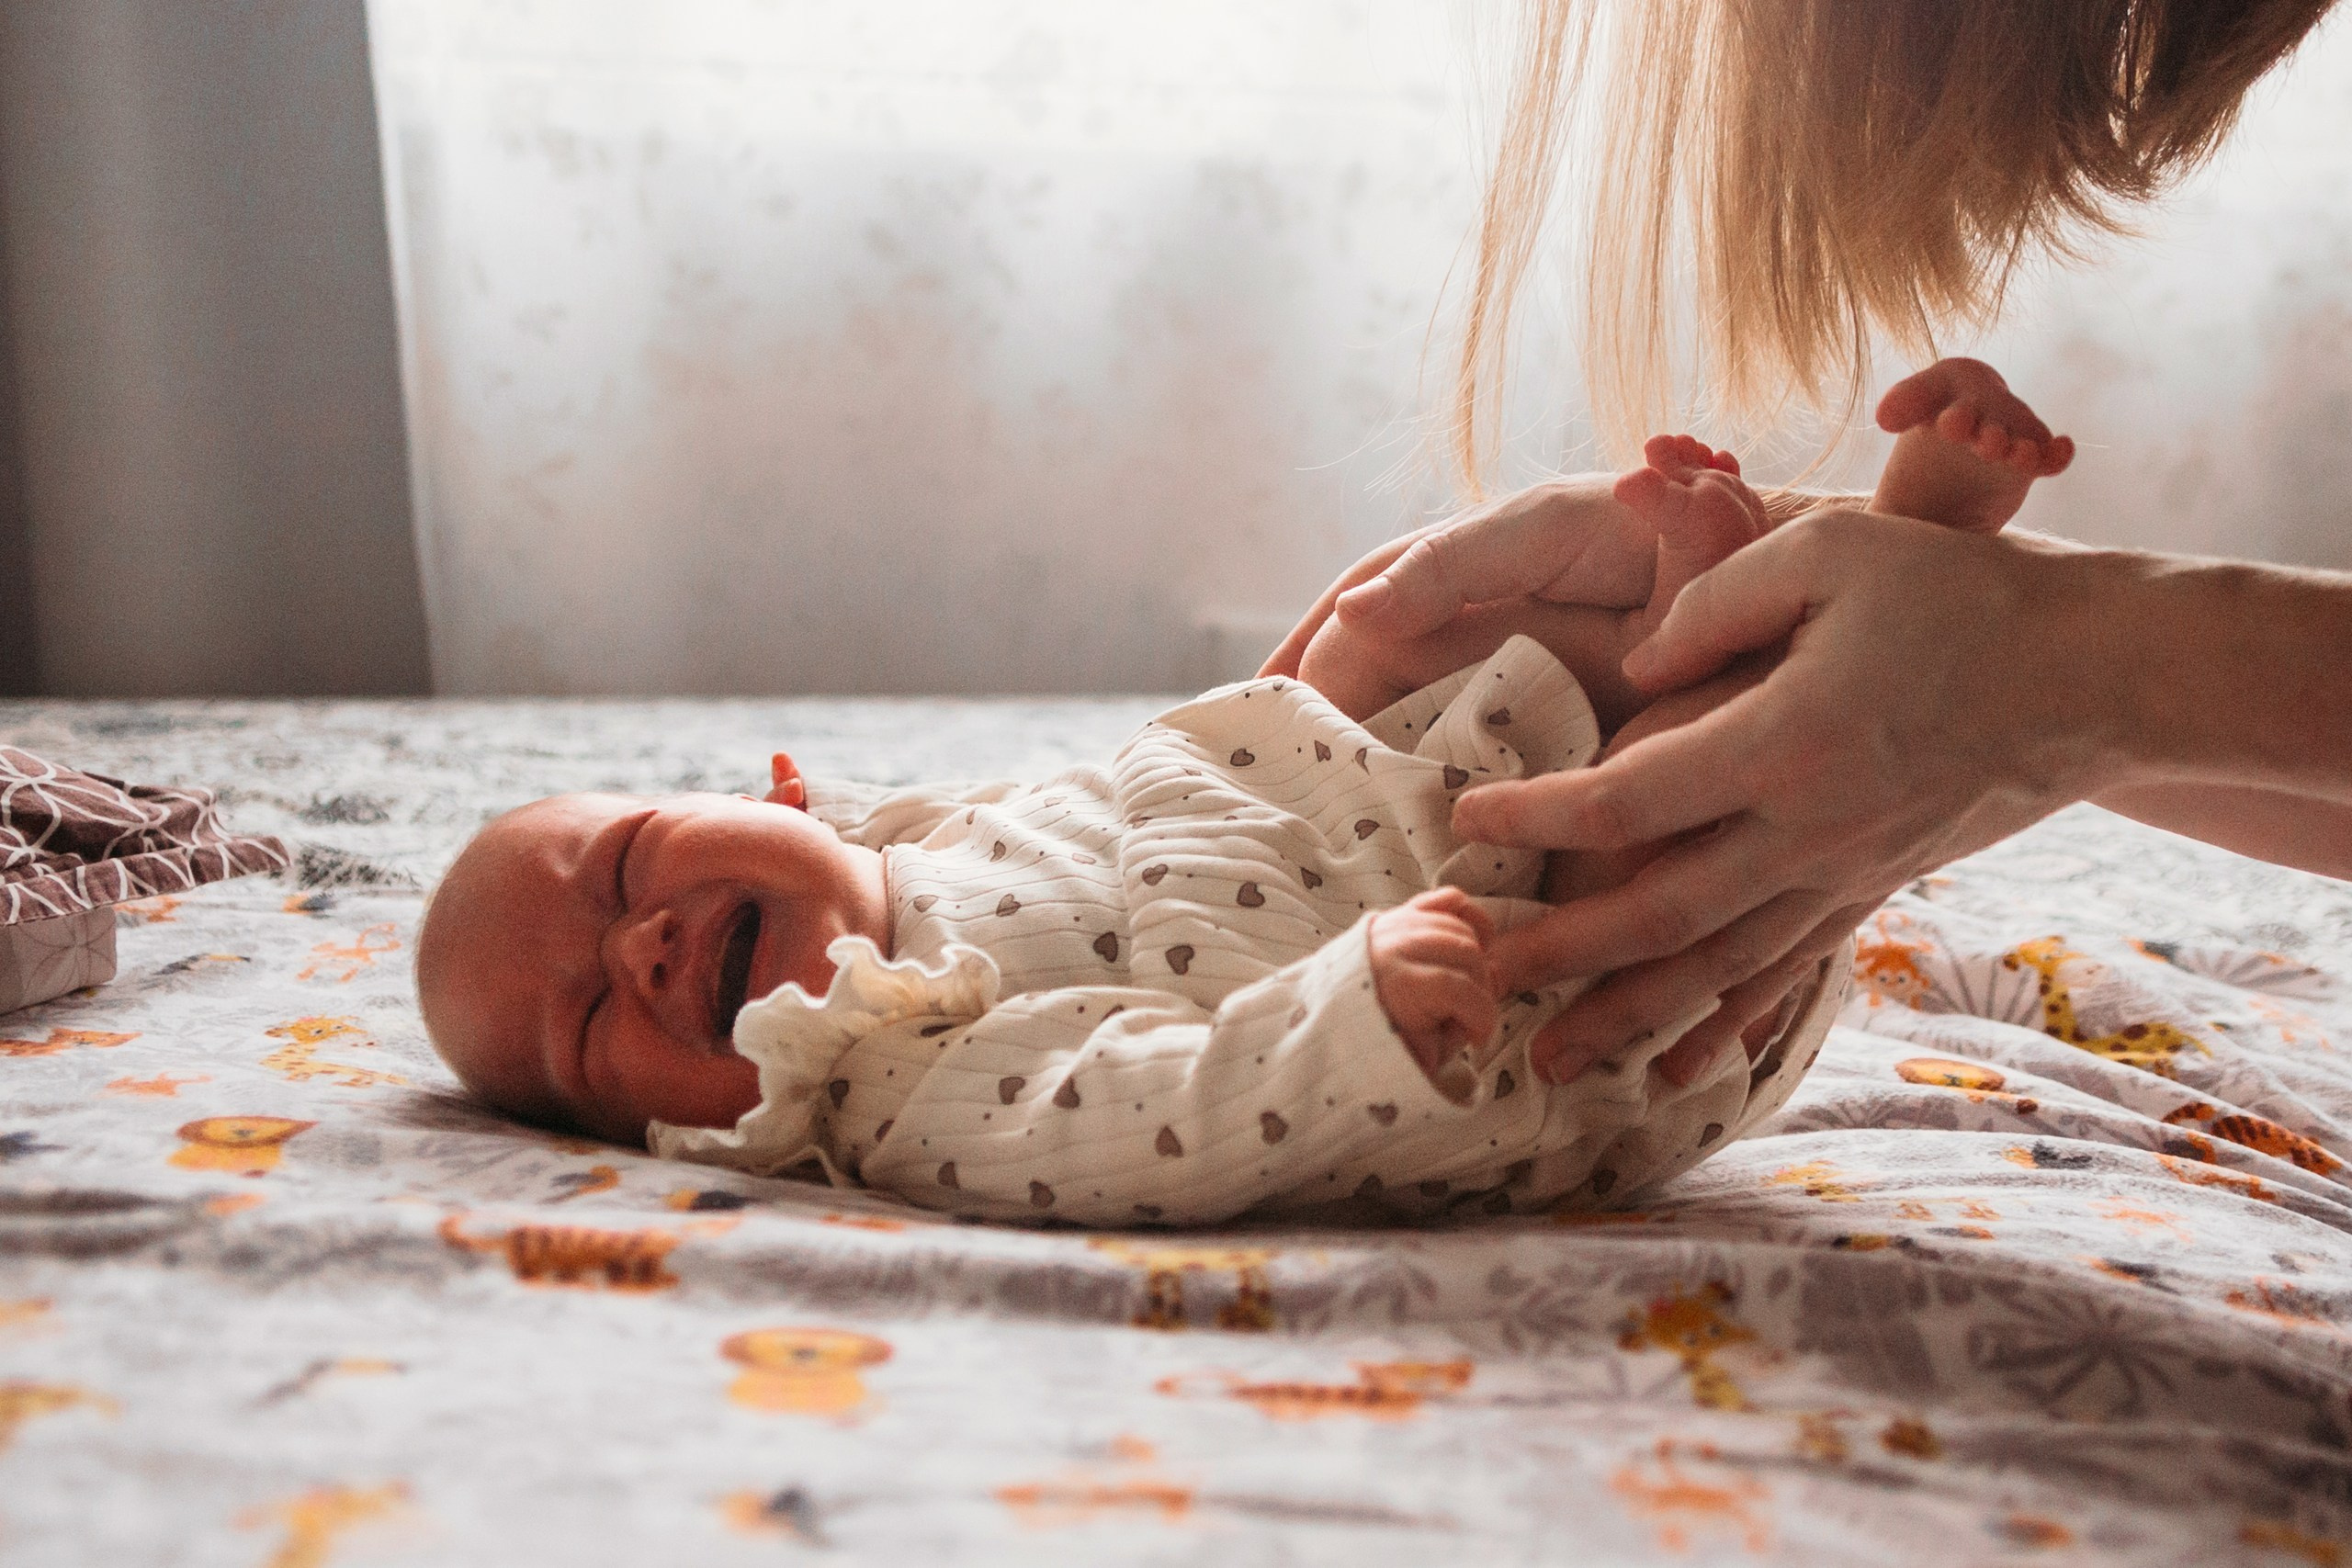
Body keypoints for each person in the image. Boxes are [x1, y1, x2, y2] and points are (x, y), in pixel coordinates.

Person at [416, 355, 2063, 1225]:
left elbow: (1047, 805)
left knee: (1387, 653)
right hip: (1489, 1003)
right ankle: (1861, 595)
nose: (635, 941)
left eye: (628, 858)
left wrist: (848, 804)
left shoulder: (885, 849)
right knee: (1625, 822)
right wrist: (1349, 1020)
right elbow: (1159, 1121)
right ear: (651, 1134)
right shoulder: (903, 1094)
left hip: (1325, 819)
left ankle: (1787, 591)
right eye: (588, 1022)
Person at [1265, 0, 2352, 1090]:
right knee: (1508, 749)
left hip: (1355, 991)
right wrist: (1940, 618)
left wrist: (2041, 658)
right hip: (1486, 1047)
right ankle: (1857, 566)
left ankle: (1802, 590)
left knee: (1377, 683)